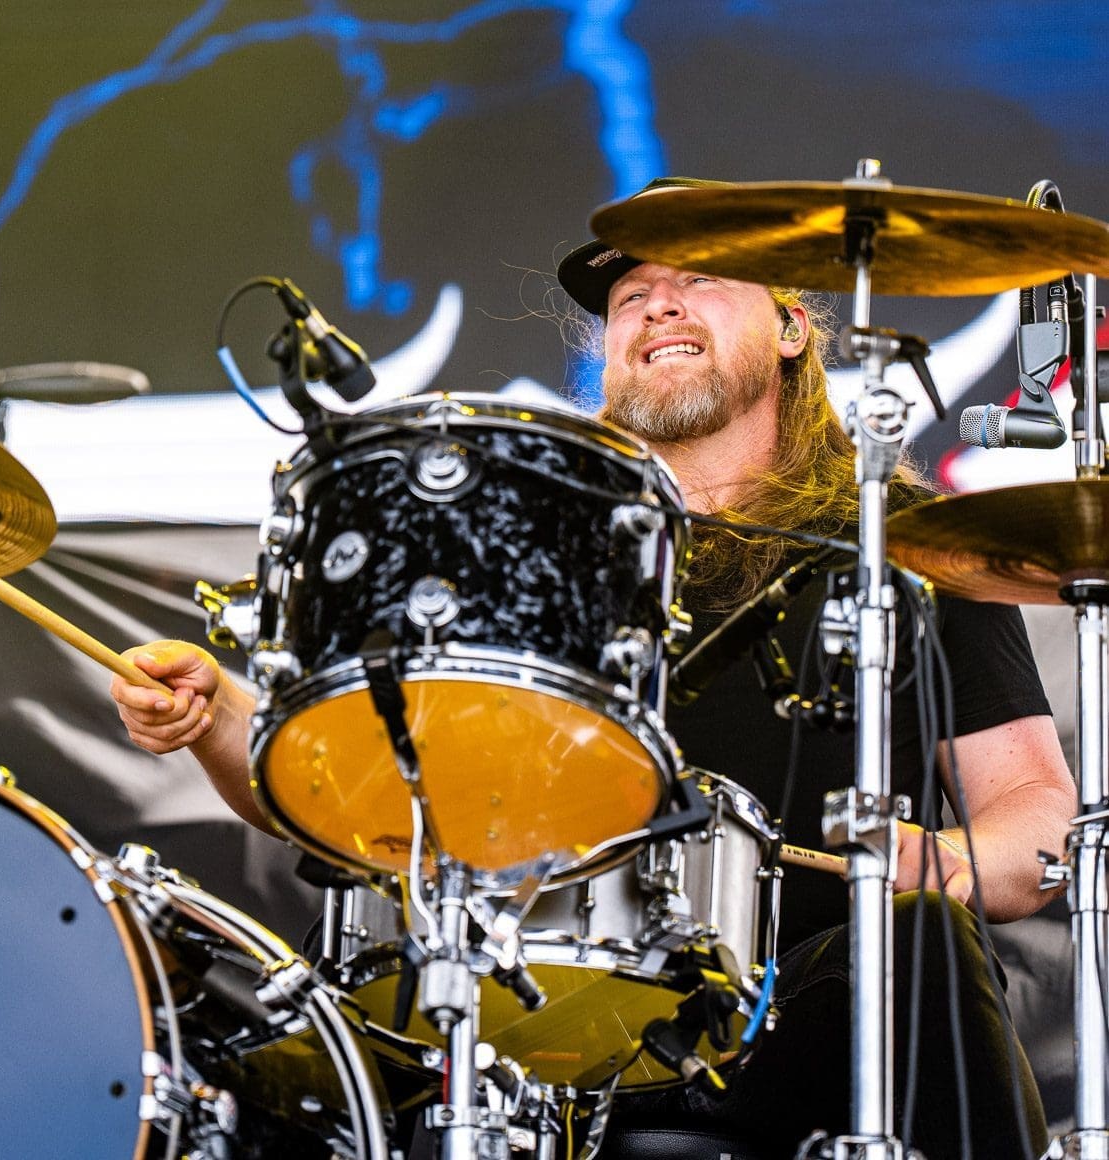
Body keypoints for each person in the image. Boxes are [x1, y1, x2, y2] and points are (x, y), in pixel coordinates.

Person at [110, 182, 1077, 1158]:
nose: (658, 306)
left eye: (699, 279)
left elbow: (1034, 815)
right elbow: (367, 800)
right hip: (533, 1014)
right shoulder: (527, 554)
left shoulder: (905, 544)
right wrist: (216, 719)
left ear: (791, 328)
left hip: (798, 1013)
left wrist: (940, 863)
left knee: (922, 941)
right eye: (630, 297)